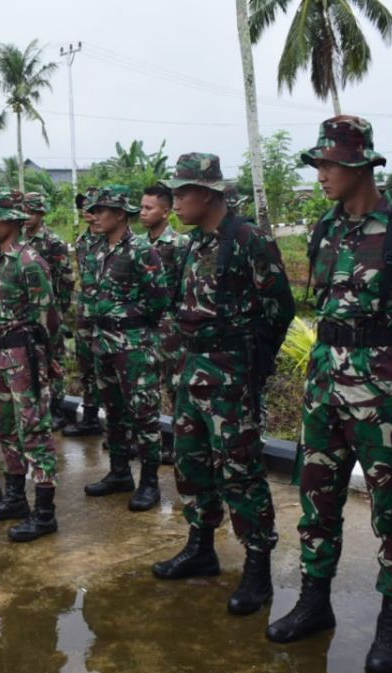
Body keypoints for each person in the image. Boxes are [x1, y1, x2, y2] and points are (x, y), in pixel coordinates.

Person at [266, 117, 392, 673]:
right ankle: (315, 602)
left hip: (382, 394)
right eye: (318, 164)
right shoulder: (325, 229)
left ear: (361, 167)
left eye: (330, 165)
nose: (321, 175)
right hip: (324, 386)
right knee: (317, 500)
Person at [151, 154, 295, 616]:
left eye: (181, 193)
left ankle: (257, 567)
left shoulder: (249, 239)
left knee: (241, 470)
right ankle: (201, 546)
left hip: (231, 375)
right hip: (192, 372)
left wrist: (253, 365)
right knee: (190, 463)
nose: (174, 202)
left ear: (208, 194)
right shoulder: (194, 245)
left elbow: (280, 308)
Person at [0, 190, 62, 542]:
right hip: (0, 357)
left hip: (25, 358)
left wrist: (51, 360)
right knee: (3, 427)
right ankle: (14, 498)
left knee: (35, 432)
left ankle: (44, 513)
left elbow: (48, 319)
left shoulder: (29, 262)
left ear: (13, 221)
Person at [80, 185, 169, 512]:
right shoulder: (96, 250)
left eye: (102, 210)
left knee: (143, 414)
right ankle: (119, 472)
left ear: (120, 214)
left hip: (133, 346)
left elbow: (159, 299)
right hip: (102, 343)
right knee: (113, 411)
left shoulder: (141, 250)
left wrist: (128, 320)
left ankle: (149, 482)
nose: (96, 215)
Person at [139, 185, 188, 464]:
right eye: (142, 207)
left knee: (175, 386)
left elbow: (184, 287)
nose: (143, 213)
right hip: (145, 325)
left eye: (149, 208)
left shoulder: (179, 245)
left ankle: (178, 444)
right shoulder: (139, 245)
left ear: (166, 212)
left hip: (171, 327)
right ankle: (154, 442)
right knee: (146, 387)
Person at [22, 192, 75, 430]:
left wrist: (59, 311)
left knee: (54, 359)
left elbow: (66, 279)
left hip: (49, 309)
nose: (26, 216)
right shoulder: (19, 240)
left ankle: (57, 408)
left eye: (31, 211)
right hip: (26, 312)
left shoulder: (53, 242)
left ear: (41, 214)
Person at [64, 191, 106, 438]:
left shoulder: (113, 241)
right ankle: (89, 416)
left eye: (94, 208)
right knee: (85, 366)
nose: (89, 213)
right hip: (86, 313)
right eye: (85, 208)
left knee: (110, 371)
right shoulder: (82, 241)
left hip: (110, 316)